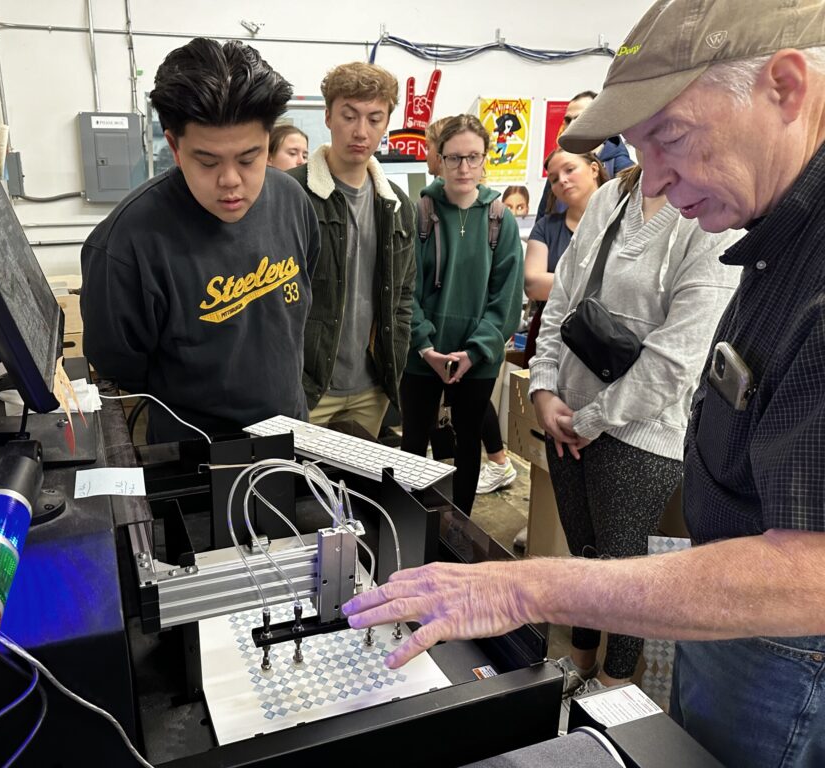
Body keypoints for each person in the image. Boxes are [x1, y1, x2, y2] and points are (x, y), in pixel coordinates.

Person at [343, 2, 825, 765]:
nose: (656, 178)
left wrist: (531, 587)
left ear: (787, 87)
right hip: (729, 617)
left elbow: (813, 570)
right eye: (639, 148)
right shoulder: (770, 222)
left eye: (670, 136)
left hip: (792, 658)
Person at [531, 164, 742, 695]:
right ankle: (577, 660)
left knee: (625, 574)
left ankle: (612, 684)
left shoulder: (709, 212)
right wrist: (543, 388)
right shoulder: (611, 197)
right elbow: (561, 303)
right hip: (567, 417)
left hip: (641, 431)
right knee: (584, 555)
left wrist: (593, 419)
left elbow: (679, 358)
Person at [80, 38, 319, 442]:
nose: (230, 181)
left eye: (249, 158)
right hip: (193, 459)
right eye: (207, 161)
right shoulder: (127, 243)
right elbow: (120, 368)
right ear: (174, 146)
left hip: (292, 437)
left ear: (268, 141)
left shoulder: (291, 200)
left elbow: (300, 307)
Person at [400, 115, 524, 515]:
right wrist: (424, 345)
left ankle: (459, 528)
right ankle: (409, 523)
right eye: (454, 158)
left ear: (486, 159)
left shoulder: (500, 218)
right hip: (423, 354)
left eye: (473, 157)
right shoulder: (419, 211)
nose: (464, 168)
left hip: (478, 357)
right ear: (439, 159)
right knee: (414, 442)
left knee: (468, 441)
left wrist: (476, 350)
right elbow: (406, 288)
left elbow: (505, 297)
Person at [289, 62, 415, 439]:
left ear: (386, 123)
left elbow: (404, 295)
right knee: (298, 490)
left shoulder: (397, 205)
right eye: (349, 116)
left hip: (369, 390)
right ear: (328, 116)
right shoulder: (290, 194)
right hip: (307, 387)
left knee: (355, 495)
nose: (361, 131)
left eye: (374, 118)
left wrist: (393, 361)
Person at [523, 149, 609, 364]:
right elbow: (533, 285)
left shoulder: (623, 221)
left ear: (594, 169)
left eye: (570, 170)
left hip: (607, 337)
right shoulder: (547, 227)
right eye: (553, 179)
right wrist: (600, 282)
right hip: (552, 335)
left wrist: (557, 283)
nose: (562, 180)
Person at [536, 90, 634, 219]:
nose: (571, 125)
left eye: (579, 118)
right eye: (567, 120)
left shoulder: (624, 169)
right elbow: (544, 217)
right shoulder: (560, 166)